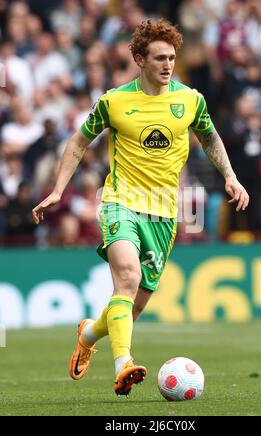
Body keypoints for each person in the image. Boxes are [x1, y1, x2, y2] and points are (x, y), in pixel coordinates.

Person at [32, 19, 249, 397]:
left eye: (172, 58)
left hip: (164, 214)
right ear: (138, 59)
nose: (168, 66)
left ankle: (87, 334)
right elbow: (78, 143)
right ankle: (124, 366)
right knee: (128, 278)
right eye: (160, 58)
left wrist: (230, 176)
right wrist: (57, 190)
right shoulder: (114, 102)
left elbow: (210, 137)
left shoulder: (190, 99)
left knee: (134, 304)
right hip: (120, 203)